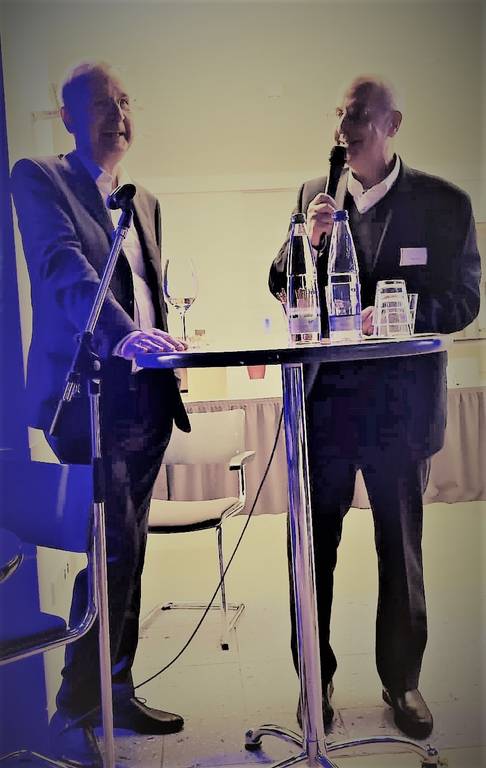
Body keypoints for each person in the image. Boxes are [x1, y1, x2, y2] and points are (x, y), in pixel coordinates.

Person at [270, 75, 481, 739]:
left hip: (401, 411)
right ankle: (316, 679)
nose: (344, 126)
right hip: (324, 409)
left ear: (392, 124)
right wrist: (306, 242)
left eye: (359, 114)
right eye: (339, 113)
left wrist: (398, 311)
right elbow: (279, 281)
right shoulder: (314, 193)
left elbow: (465, 300)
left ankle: (403, 681)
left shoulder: (445, 203)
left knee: (401, 554)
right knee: (312, 555)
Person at [11, 61, 190, 764]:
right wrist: (126, 335)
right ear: (67, 117)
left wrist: (164, 344)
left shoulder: (144, 201)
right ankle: (81, 702)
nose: (118, 115)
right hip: (86, 398)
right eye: (100, 104)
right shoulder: (40, 178)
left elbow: (148, 290)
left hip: (147, 396)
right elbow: (64, 271)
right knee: (110, 547)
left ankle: (109, 686)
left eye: (124, 101)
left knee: (126, 548)